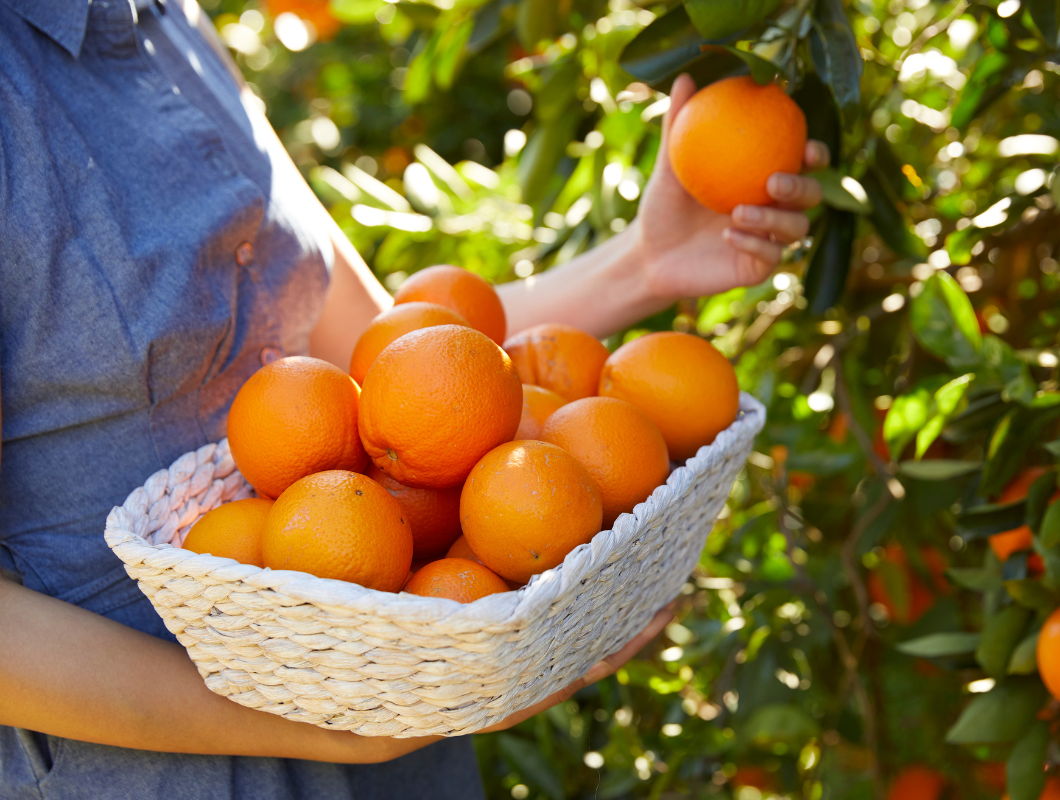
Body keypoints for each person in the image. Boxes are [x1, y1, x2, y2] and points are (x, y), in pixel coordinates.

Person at [0, 0, 828, 798]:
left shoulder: (162, 22)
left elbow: (399, 362)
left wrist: (644, 262)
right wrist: (323, 728)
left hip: (393, 689)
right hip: (162, 766)